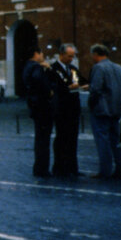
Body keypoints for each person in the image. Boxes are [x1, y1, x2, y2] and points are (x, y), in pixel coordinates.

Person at [87, 44, 121, 180]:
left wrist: (91, 104)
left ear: (96, 54)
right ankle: (120, 169)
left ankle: (105, 171)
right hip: (118, 109)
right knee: (117, 140)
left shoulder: (98, 67)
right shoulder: (119, 68)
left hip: (102, 110)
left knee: (102, 141)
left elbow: (96, 89)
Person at [50, 44, 86, 177]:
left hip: (73, 109)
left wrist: (82, 85)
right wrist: (68, 87)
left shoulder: (73, 69)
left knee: (73, 139)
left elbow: (79, 82)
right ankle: (59, 167)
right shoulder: (53, 69)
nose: (71, 58)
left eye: (73, 56)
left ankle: (72, 167)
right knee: (61, 138)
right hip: (61, 109)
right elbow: (54, 87)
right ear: (61, 54)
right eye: (69, 56)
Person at [22, 46, 54, 178]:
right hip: (43, 106)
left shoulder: (27, 66)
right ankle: (42, 169)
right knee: (44, 140)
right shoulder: (36, 67)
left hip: (34, 106)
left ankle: (39, 167)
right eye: (42, 54)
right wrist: (49, 91)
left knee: (40, 138)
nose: (43, 56)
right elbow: (38, 80)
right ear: (36, 54)